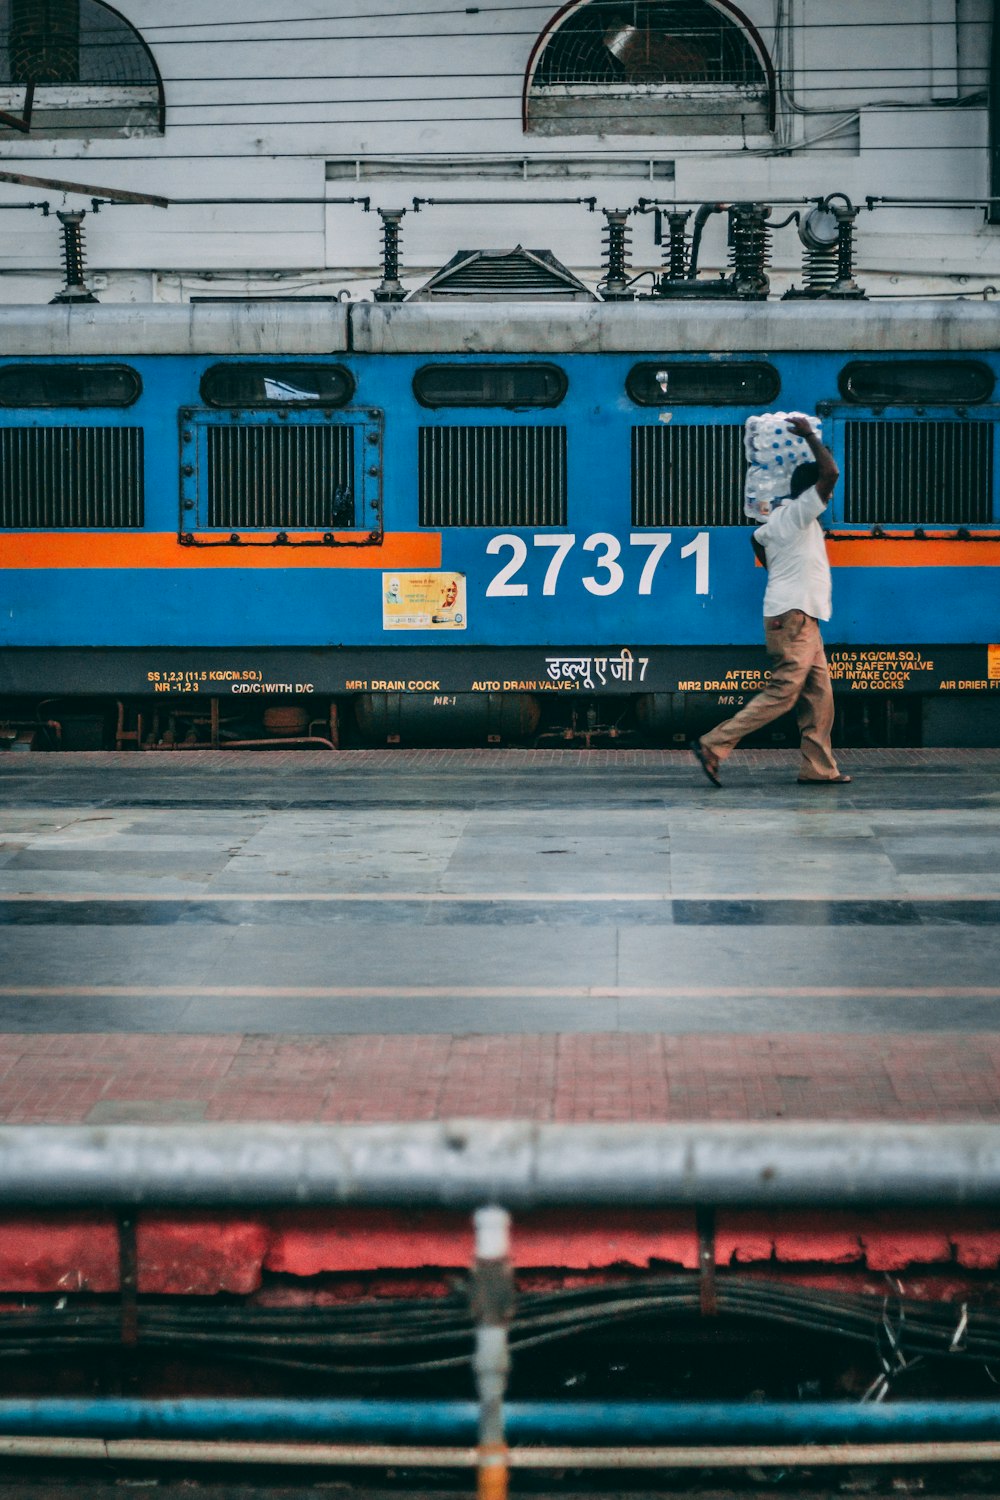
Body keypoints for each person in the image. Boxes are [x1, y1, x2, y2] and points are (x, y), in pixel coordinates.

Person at [690, 414, 851, 787]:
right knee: (784, 692)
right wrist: (810, 435)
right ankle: (714, 744)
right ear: (811, 494)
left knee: (819, 696)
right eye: (822, 494)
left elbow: (757, 541)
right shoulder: (798, 513)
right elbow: (830, 474)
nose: (828, 498)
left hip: (800, 615)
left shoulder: (778, 521)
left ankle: (818, 768)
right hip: (794, 617)